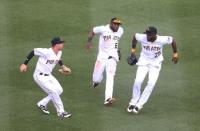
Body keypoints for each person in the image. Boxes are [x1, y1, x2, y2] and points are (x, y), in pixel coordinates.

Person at [127, 26, 178, 113]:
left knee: (151, 83)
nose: (147, 36)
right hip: (143, 62)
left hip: (155, 64)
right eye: (147, 34)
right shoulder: (142, 37)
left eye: (149, 35)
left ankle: (139, 105)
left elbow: (172, 40)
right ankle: (133, 102)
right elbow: (135, 37)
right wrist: (133, 50)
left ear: (155, 35)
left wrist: (175, 54)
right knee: (138, 81)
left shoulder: (162, 39)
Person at [19, 37, 72, 118]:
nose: (63, 44)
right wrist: (24, 64)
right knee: (54, 91)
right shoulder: (46, 52)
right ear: (56, 44)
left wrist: (62, 66)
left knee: (59, 90)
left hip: (48, 75)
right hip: (39, 76)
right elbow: (33, 51)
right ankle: (61, 112)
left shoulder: (59, 52)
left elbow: (58, 59)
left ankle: (42, 103)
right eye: (61, 43)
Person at [86, 17, 124, 106]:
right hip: (102, 57)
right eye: (115, 23)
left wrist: (117, 51)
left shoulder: (121, 30)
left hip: (113, 58)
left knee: (110, 77)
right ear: (111, 23)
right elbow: (93, 31)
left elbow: (114, 43)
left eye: (118, 24)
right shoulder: (103, 29)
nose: (117, 26)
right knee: (96, 78)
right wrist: (89, 41)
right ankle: (97, 81)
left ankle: (108, 98)